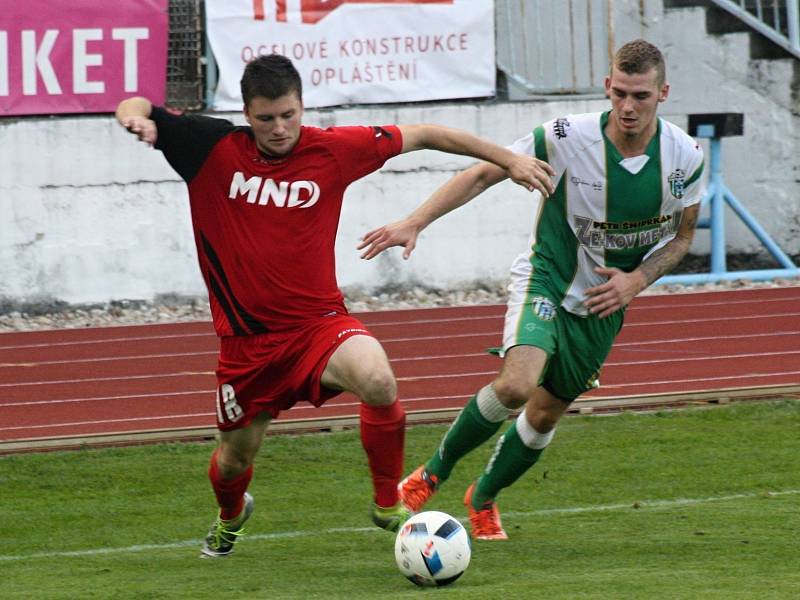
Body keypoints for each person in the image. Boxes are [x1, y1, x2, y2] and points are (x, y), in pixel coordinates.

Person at [115, 54, 554, 557]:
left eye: (289, 115)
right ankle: (232, 515)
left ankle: (387, 503)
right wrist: (137, 118)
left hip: (317, 326)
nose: (279, 129)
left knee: (378, 379)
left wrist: (510, 159)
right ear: (246, 112)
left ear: (301, 107)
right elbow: (137, 102)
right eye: (265, 119)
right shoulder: (207, 145)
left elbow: (427, 133)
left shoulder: (333, 149)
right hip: (246, 347)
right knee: (234, 460)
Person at [358, 39, 705, 540]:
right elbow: (483, 173)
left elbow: (684, 238)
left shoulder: (685, 157)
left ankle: (483, 498)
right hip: (547, 274)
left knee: (544, 416)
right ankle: (433, 471)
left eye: (641, 96)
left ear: (663, 93)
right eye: (621, 93)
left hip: (603, 303)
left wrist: (637, 280)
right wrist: (416, 221)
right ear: (608, 86)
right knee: (518, 385)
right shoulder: (565, 136)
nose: (628, 107)